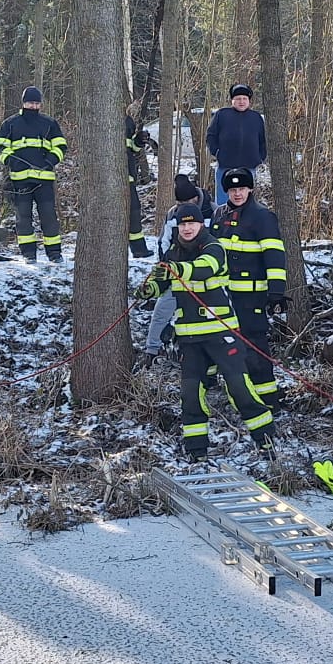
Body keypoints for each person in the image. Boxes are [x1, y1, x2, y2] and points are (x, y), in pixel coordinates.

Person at [137, 206, 277, 460]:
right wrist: (150, 288)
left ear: (201, 225)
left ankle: (267, 441)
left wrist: (176, 269)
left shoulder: (214, 247)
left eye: (192, 224)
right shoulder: (172, 252)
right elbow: (164, 282)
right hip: (189, 339)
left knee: (239, 389)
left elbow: (205, 268)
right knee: (190, 397)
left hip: (220, 334)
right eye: (183, 225)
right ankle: (197, 452)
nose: (187, 229)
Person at [213, 167, 288, 405]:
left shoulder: (262, 217)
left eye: (242, 189)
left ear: (250, 189)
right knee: (227, 346)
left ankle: (267, 399)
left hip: (252, 297)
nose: (237, 194)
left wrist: (276, 291)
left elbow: (275, 256)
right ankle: (241, 397)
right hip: (224, 296)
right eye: (233, 189)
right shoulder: (219, 216)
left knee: (255, 347)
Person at [143, 175, 216, 358]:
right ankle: (151, 350)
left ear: (196, 198)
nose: (184, 205)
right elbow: (163, 243)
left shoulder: (213, 210)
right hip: (177, 274)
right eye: (181, 202)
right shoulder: (173, 213)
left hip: (205, 277)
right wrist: (166, 269)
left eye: (188, 201)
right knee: (161, 311)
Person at [0, 85, 67, 262]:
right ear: (23, 103)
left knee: (49, 217)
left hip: (44, 181)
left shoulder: (49, 123)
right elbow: (0, 147)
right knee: (23, 219)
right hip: (20, 181)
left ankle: (55, 254)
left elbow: (61, 146)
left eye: (36, 103)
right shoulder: (10, 124)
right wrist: (12, 161)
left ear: (40, 104)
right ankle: (28, 254)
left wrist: (50, 160)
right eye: (30, 102)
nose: (33, 106)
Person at [204, 84, 266, 194]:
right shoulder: (222, 115)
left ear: (249, 101)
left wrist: (261, 157)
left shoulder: (256, 117)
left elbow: (263, 140)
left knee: (245, 199)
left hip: (249, 166)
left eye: (244, 99)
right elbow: (210, 135)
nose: (241, 101)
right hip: (226, 166)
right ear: (232, 100)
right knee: (224, 199)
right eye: (238, 99)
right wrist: (217, 152)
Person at [126, 106, 153, 258]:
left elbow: (132, 149)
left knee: (134, 212)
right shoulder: (96, 119)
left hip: (128, 177)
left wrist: (139, 140)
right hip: (104, 181)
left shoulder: (128, 122)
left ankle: (139, 249)